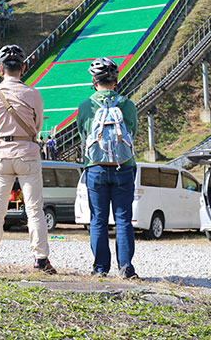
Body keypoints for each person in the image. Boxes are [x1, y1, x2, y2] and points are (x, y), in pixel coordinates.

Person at [0, 44, 56, 274]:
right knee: (35, 209)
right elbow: (38, 126)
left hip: (2, 152)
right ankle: (40, 258)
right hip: (27, 154)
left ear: (0, 69)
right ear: (23, 68)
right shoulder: (33, 93)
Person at [77, 57, 138, 278]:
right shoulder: (127, 104)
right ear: (116, 80)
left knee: (98, 219)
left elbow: (83, 135)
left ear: (93, 80)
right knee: (123, 219)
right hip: (123, 167)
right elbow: (132, 131)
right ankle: (126, 268)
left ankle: (101, 268)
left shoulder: (85, 105)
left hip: (95, 167)